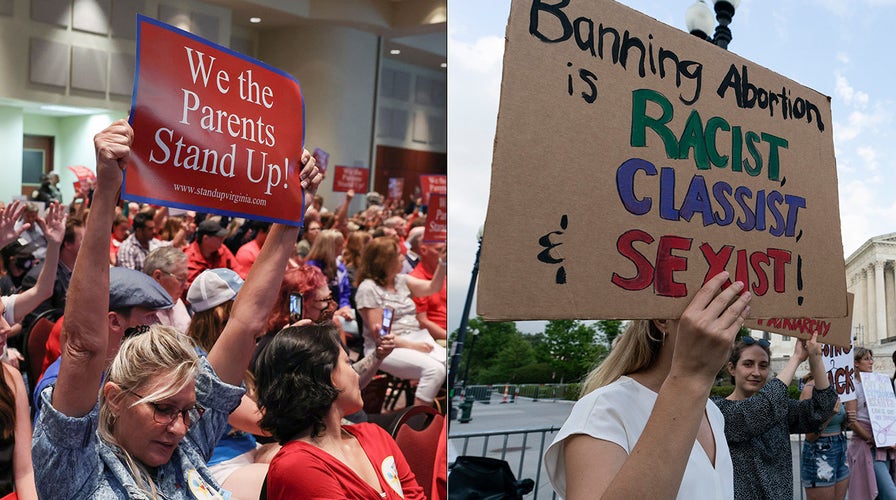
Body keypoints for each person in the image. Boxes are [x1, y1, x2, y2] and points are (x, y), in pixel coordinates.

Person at [31, 119, 322, 498]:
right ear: (115, 398)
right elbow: (83, 346)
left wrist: (290, 214)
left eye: (186, 411)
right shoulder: (76, 471)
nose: (181, 426)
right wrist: (106, 192)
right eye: (164, 409)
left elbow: (245, 324)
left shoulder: (184, 449)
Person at [544, 273, 751, 499]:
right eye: (707, 308)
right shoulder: (602, 410)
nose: (724, 326)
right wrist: (691, 377)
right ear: (662, 319)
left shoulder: (712, 412)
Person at [253, 323, 424, 499]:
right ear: (326, 375)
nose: (356, 375)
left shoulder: (374, 435)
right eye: (348, 363)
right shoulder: (298, 465)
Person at [713, 333, 836, 500]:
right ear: (732, 368)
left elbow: (822, 409)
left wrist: (815, 358)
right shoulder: (718, 411)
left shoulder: (780, 409)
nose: (756, 372)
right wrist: (796, 358)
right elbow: (759, 410)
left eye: (763, 366)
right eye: (748, 364)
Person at [355, 236, 447, 407]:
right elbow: (382, 336)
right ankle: (417, 419)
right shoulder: (368, 288)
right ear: (385, 261)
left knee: (448, 363)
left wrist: (443, 263)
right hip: (387, 347)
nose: (403, 258)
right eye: (398, 255)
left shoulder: (402, 280)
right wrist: (414, 346)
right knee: (434, 370)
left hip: (417, 337)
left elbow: (432, 288)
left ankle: (436, 413)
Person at [846, 347, 896, 499]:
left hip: (885, 446)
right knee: (890, 494)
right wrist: (872, 438)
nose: (871, 362)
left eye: (871, 358)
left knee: (880, 494)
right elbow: (852, 421)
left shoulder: (879, 382)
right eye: (866, 359)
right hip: (867, 446)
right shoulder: (852, 386)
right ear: (856, 363)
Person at [800, 372, 849, 499]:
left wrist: (846, 420)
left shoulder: (837, 386)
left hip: (840, 447)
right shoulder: (810, 388)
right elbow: (810, 436)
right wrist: (830, 415)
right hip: (819, 452)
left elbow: (839, 425)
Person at [185, 218, 246, 290]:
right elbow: (196, 289)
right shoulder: (189, 258)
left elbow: (238, 271)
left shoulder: (222, 249)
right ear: (206, 238)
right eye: (219, 237)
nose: (222, 239)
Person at [142, 246, 192, 334]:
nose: (186, 286)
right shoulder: (140, 313)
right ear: (158, 276)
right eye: (180, 278)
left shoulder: (176, 300)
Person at [410, 239, 447, 346]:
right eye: (439, 250)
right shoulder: (416, 280)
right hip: (432, 337)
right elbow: (422, 322)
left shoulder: (443, 276)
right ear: (423, 250)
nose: (444, 255)